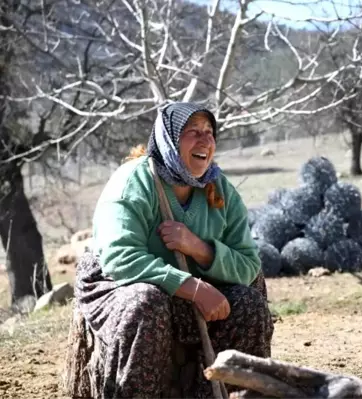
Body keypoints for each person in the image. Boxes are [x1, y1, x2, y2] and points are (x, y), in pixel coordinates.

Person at [62, 102, 274, 398]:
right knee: (145, 303)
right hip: (116, 285)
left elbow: (249, 264)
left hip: (190, 290)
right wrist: (194, 288)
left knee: (248, 306)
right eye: (192, 132)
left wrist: (198, 248)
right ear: (169, 140)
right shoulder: (134, 181)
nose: (205, 141)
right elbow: (120, 258)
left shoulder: (218, 188)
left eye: (209, 132)